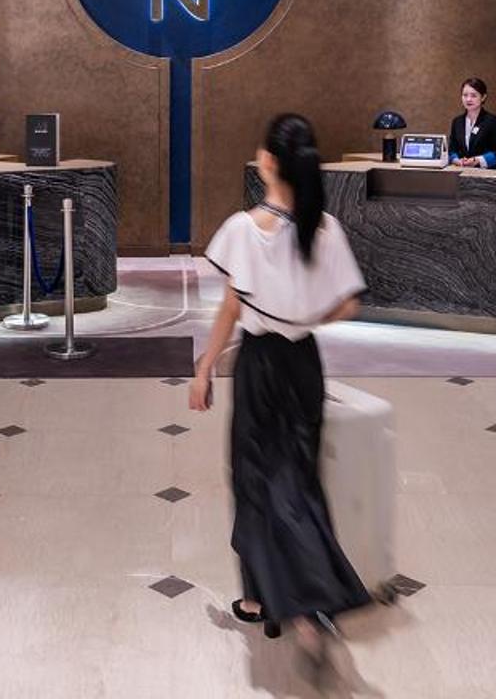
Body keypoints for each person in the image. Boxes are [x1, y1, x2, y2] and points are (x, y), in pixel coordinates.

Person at [191, 112, 371, 673]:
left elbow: (231, 306)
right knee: (297, 479)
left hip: (260, 367)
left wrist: (204, 367)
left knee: (255, 480)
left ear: (268, 161)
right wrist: (305, 315)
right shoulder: (325, 228)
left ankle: (271, 601)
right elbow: (349, 303)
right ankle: (301, 599)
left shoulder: (245, 229)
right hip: (304, 365)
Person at [447, 76, 496, 169]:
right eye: (465, 95)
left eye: (473, 95)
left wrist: (477, 160)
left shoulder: (492, 121)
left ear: (483, 97)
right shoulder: (457, 122)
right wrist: (456, 160)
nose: (468, 99)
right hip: (460, 172)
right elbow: (451, 150)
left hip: (485, 174)